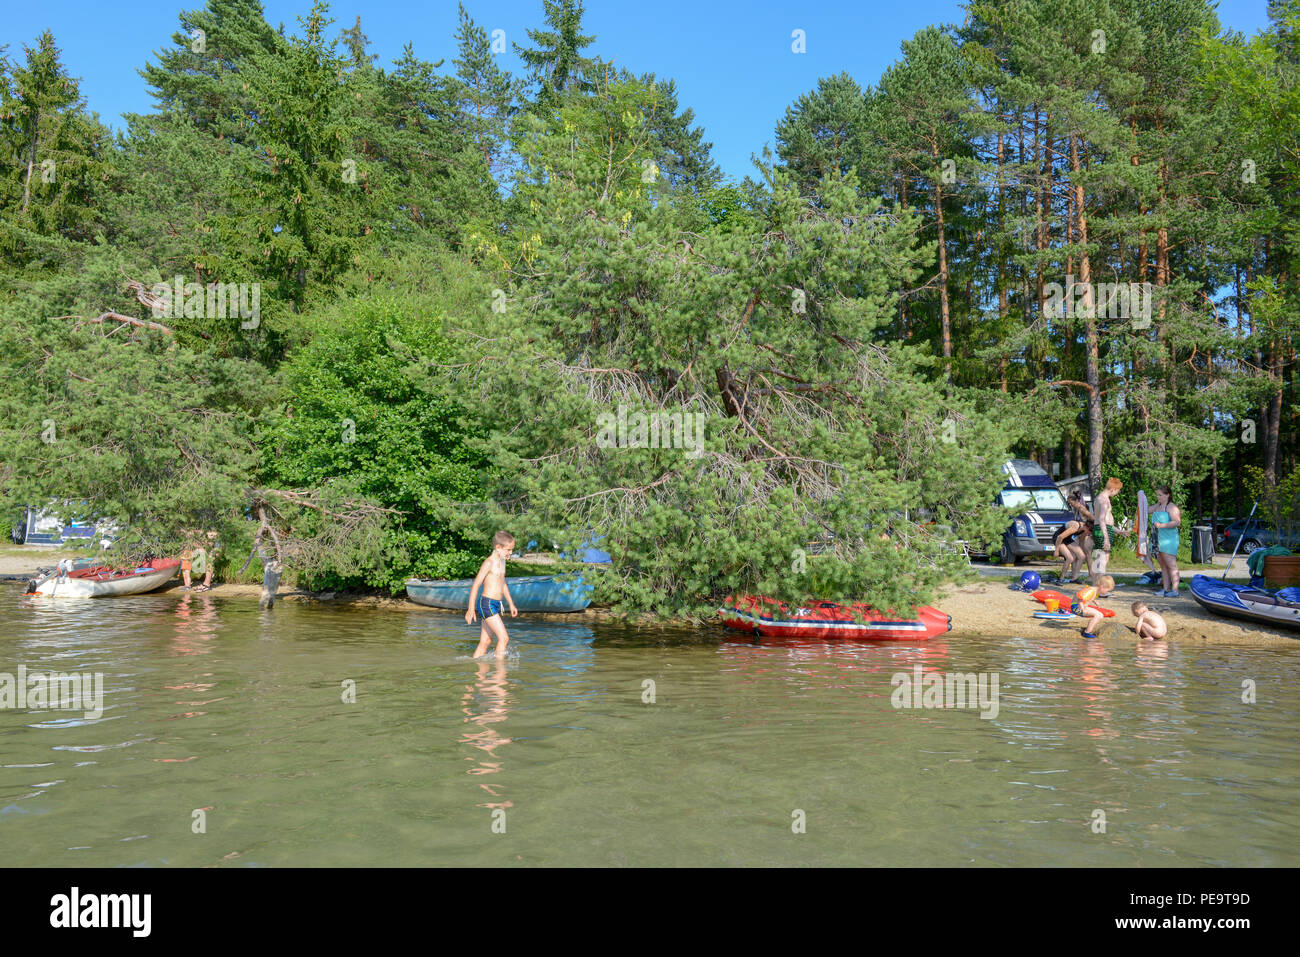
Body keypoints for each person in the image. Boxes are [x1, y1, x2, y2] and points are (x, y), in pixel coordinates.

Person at [466, 531, 519, 659]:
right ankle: (500, 675)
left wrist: (511, 604)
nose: (510, 553)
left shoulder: (502, 561)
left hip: (495, 604)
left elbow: (503, 583)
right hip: (486, 604)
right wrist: (470, 608)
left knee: (486, 642)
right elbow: (476, 585)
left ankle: (478, 675)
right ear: (498, 547)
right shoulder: (489, 562)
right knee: (504, 638)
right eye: (508, 550)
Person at [1090, 478, 1130, 578]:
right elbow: (1102, 519)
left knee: (1098, 559)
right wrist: (1106, 538)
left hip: (1101, 529)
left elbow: (1104, 522)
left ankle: (1095, 586)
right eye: (1117, 491)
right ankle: (1100, 586)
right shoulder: (1104, 500)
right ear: (1112, 489)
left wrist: (1119, 531)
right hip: (1103, 531)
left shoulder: (1099, 498)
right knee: (1103, 559)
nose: (1117, 493)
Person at [1151, 486, 1182, 597]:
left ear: (1167, 495)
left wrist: (1162, 525)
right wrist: (1141, 498)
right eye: (1157, 495)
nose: (1158, 497)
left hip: (1169, 540)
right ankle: (1166, 589)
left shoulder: (1171, 507)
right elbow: (1146, 510)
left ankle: (1175, 590)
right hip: (1158, 540)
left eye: (1160, 495)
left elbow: (1177, 522)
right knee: (1163, 565)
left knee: (1171, 565)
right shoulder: (1158, 506)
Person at [1053, 513, 1091, 583]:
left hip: (1067, 539)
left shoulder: (1085, 530)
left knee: (1082, 556)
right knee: (1070, 558)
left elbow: (1081, 541)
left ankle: (1075, 578)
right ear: (1086, 527)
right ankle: (1061, 578)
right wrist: (1056, 550)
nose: (1089, 533)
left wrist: (1082, 550)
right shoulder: (1075, 526)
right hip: (1058, 538)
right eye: (1090, 531)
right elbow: (1060, 537)